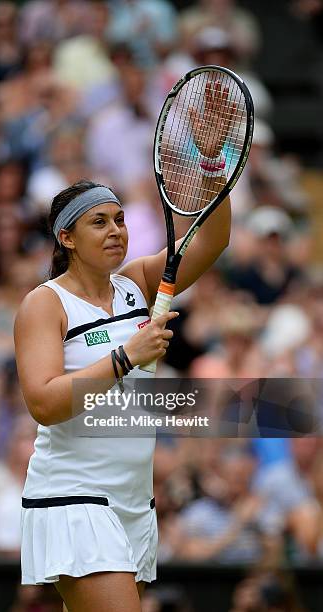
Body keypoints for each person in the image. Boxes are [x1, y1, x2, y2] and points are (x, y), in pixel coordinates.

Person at [14, 83, 232, 611]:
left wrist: (209, 162)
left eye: (119, 220)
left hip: (133, 502)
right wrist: (126, 357)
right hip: (75, 498)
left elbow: (212, 240)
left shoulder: (137, 283)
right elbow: (43, 402)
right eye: (98, 223)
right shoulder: (44, 305)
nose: (116, 231)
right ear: (66, 238)